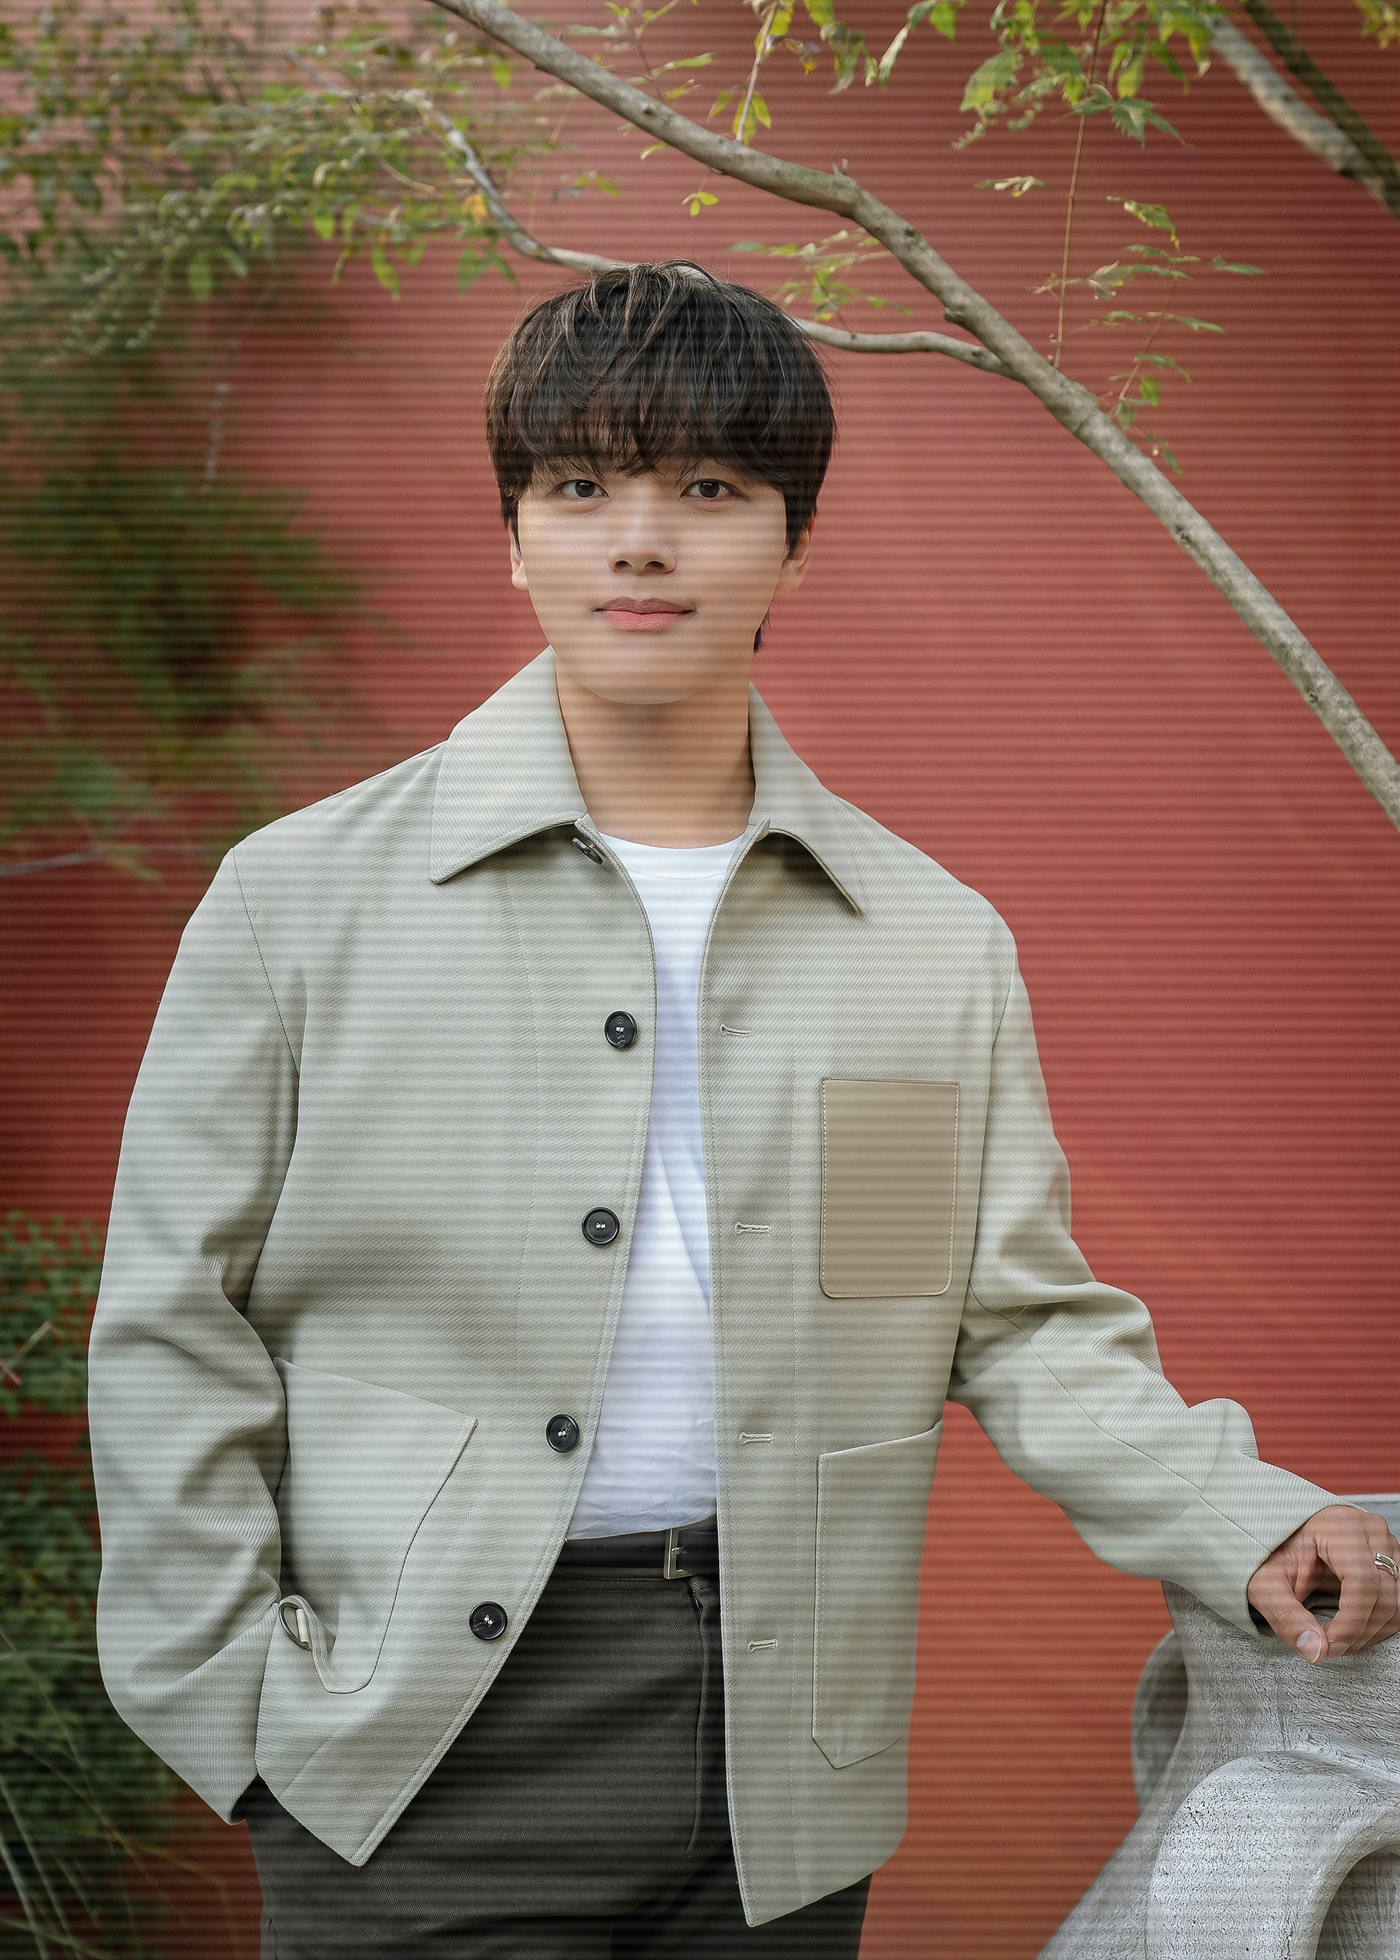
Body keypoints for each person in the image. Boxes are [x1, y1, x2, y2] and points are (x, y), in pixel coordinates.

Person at [87, 262, 1400, 1960]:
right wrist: (233, 1705)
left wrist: (1244, 1516)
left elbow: (1009, 1324)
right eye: (581, 488)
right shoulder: (301, 901)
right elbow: (171, 1324)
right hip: (406, 1738)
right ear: (513, 536)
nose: (641, 542)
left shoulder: (922, 942)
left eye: (708, 489)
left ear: (795, 543)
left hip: (785, 1754)